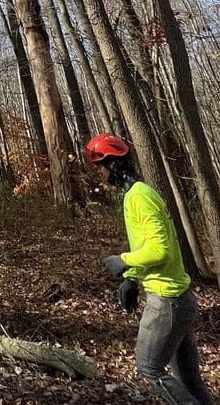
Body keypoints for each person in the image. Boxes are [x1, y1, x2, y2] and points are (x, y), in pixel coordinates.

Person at [85, 133, 213, 404]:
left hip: (167, 301)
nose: (98, 175)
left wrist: (123, 260)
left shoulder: (139, 196)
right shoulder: (137, 194)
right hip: (178, 299)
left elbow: (160, 249)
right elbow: (144, 244)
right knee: (189, 380)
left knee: (149, 367)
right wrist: (131, 278)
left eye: (99, 169)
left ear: (112, 165)